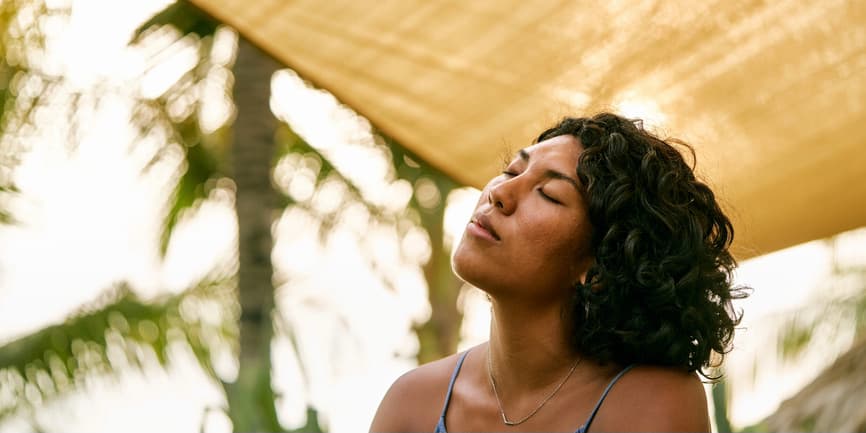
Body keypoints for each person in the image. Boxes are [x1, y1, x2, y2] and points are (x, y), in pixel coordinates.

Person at [370, 112, 747, 432]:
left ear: (600, 266)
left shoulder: (650, 403)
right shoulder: (412, 405)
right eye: (511, 170)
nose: (500, 193)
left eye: (549, 194)